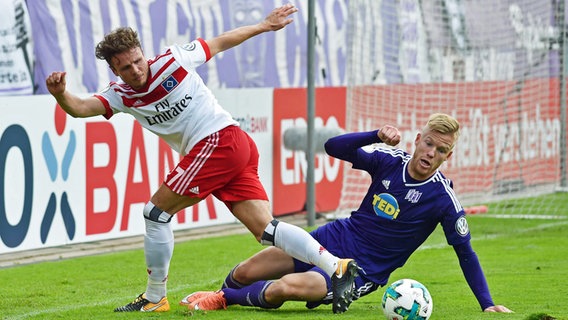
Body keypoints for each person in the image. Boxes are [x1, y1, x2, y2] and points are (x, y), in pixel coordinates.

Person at [45, 3, 358, 314]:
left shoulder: (173, 59)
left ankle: (155, 297)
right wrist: (61, 94)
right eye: (126, 68)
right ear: (115, 70)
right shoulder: (121, 95)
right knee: (266, 230)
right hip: (232, 147)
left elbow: (221, 41)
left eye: (138, 61)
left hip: (219, 141)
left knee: (156, 213)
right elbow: (82, 108)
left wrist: (264, 25)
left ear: (144, 53)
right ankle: (336, 266)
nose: (137, 70)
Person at [180, 113, 513, 314]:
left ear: (447, 156)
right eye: (428, 143)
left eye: (441, 150)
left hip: (359, 272)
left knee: (285, 288)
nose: (431, 153)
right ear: (418, 139)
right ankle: (226, 291)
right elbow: (333, 147)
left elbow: (465, 252)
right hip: (333, 238)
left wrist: (486, 303)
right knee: (249, 268)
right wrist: (374, 136)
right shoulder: (388, 161)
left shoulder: (443, 198)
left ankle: (224, 300)